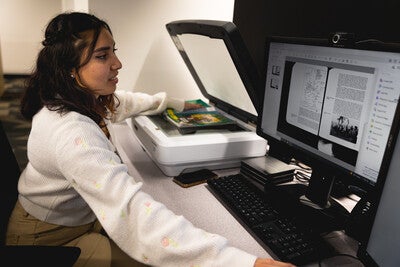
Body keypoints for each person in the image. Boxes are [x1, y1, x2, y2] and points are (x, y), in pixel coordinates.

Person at [5, 12, 295, 267]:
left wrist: (180, 104)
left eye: (113, 51)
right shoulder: (72, 132)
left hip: (75, 218)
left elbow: (128, 103)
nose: (118, 63)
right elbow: (134, 215)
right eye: (103, 56)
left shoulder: (78, 98)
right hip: (45, 238)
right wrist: (245, 263)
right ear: (70, 69)